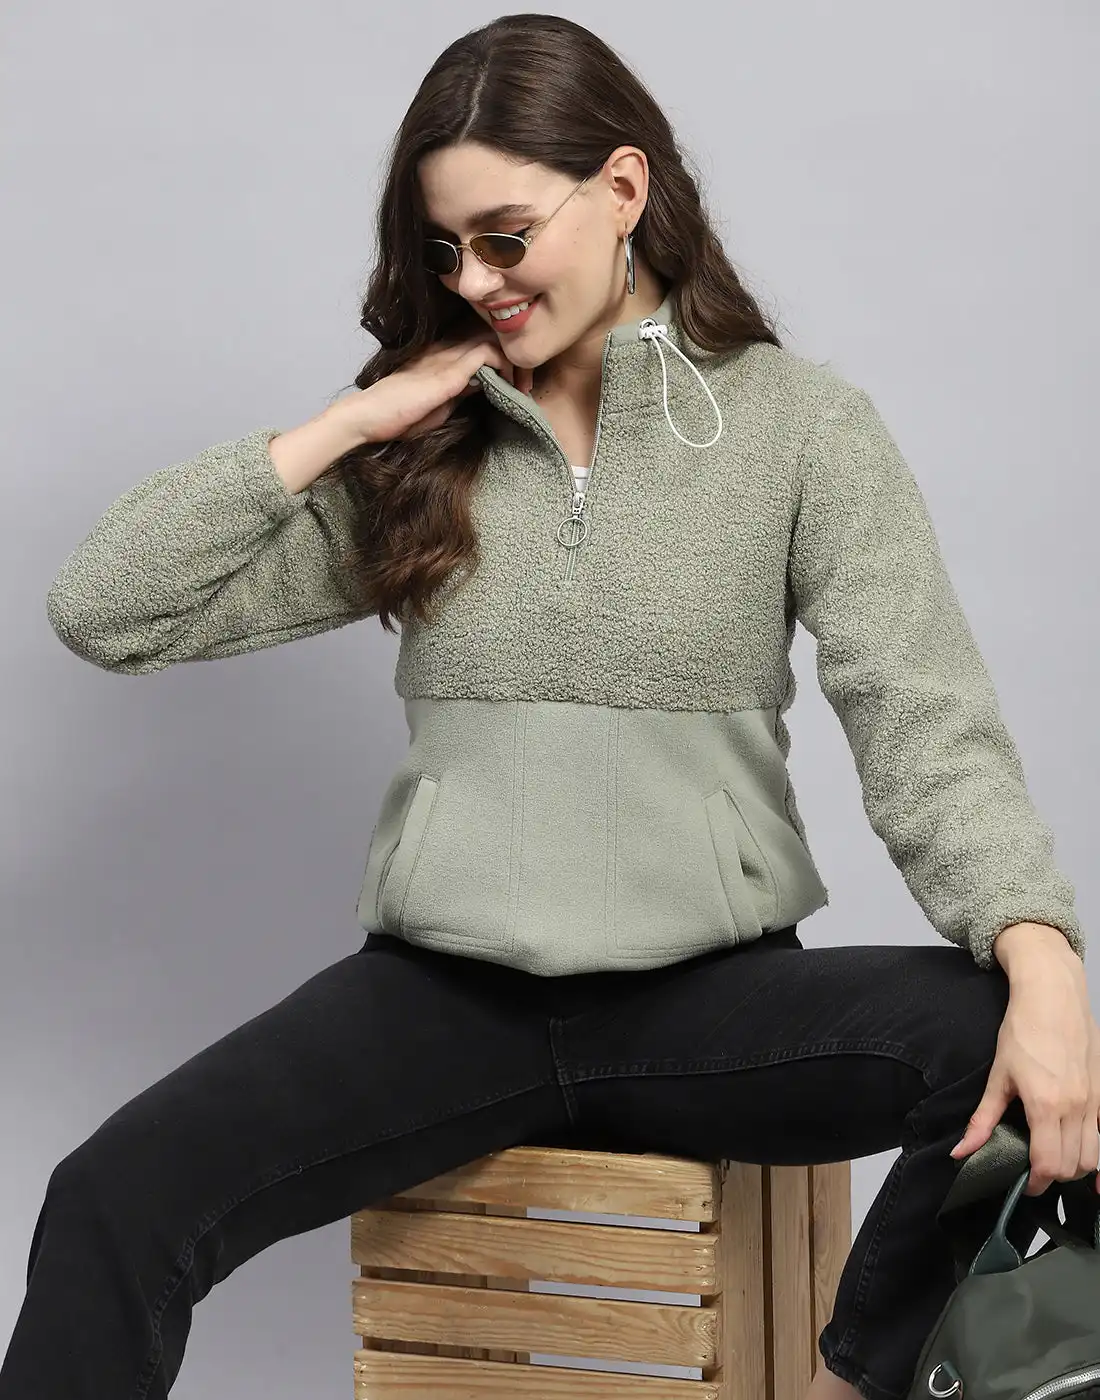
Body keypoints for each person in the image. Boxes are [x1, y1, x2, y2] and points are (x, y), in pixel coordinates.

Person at [4, 13, 1095, 1400]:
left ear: (623, 188)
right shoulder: (428, 446)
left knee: (1004, 1045)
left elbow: (924, 721)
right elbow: (106, 609)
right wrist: (349, 424)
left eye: (505, 238)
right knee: (109, 1200)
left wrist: (1044, 960)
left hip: (711, 1006)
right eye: (445, 250)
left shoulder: (800, 431)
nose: (475, 280)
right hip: (442, 1004)